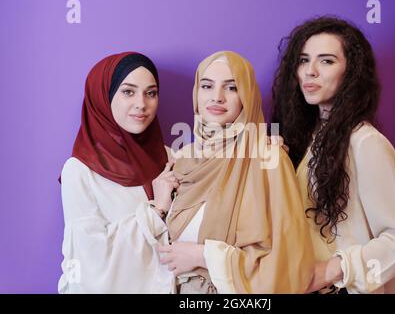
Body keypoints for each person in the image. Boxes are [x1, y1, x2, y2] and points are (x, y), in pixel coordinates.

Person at [272, 16, 395, 294]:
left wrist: (331, 270)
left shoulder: (365, 142)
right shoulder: (308, 138)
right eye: (304, 60)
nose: (310, 71)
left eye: (327, 61)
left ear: (351, 72)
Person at [157, 51, 315, 294]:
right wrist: (159, 206)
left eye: (231, 88)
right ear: (196, 94)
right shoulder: (182, 159)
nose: (217, 97)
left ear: (247, 97)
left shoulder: (268, 156)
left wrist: (203, 256)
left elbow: (288, 259)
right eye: (207, 86)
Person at [58, 52, 176, 293]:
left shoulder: (168, 157)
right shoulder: (80, 170)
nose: (141, 104)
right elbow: (90, 263)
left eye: (151, 93)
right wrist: (156, 211)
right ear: (103, 96)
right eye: (128, 92)